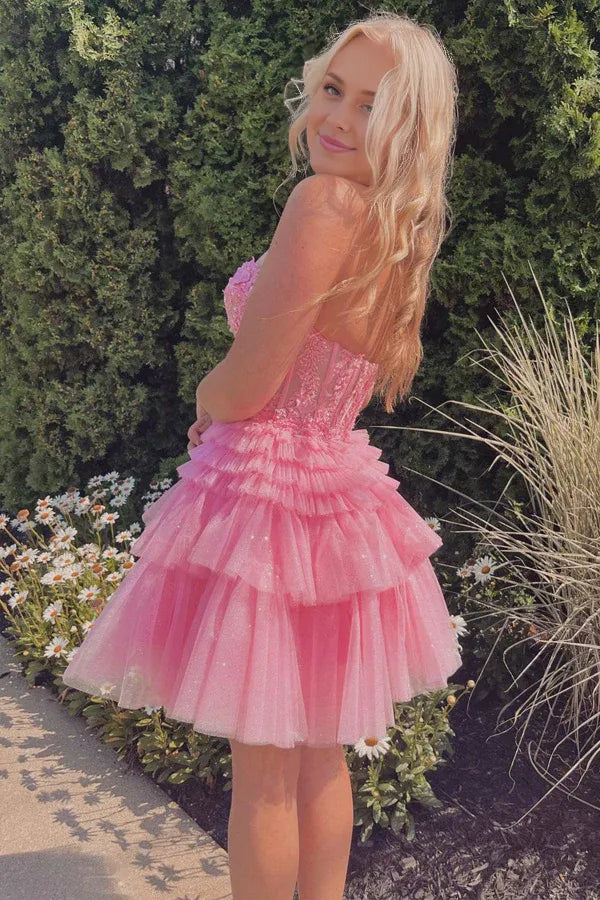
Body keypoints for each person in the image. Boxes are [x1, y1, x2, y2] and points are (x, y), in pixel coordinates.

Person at [62, 10, 461, 900]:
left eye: (372, 105)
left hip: (270, 499)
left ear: (408, 129)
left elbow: (249, 382)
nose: (338, 117)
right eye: (334, 90)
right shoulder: (397, 230)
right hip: (336, 490)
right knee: (318, 752)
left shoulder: (323, 203)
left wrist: (209, 400)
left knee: (266, 773)